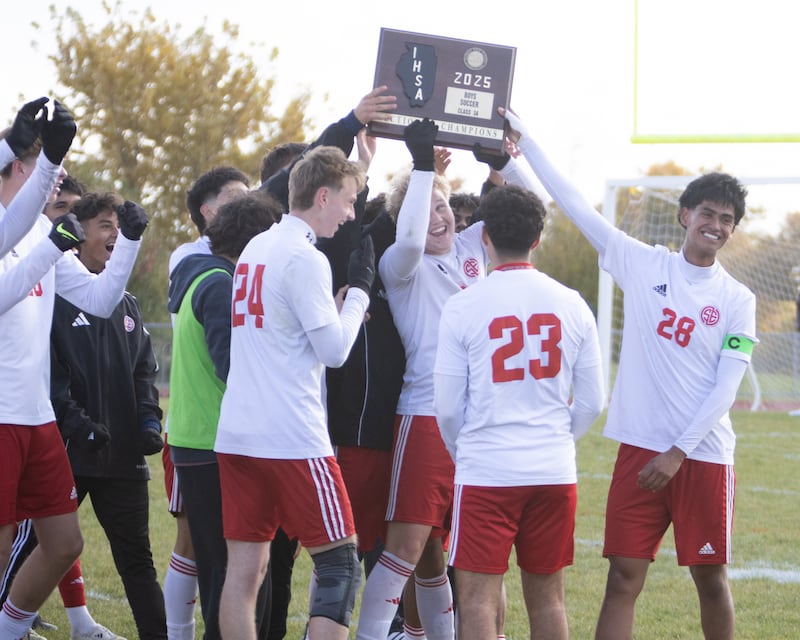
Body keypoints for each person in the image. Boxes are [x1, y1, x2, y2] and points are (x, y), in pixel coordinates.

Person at [502, 107, 756, 640]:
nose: (716, 226)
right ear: (685, 214)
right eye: (708, 213)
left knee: (710, 579)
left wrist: (679, 451)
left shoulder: (737, 299)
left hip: (701, 454)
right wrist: (524, 143)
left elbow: (726, 389)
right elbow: (572, 203)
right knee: (623, 577)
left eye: (727, 219)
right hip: (640, 448)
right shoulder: (643, 263)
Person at [0, 100, 148, 639]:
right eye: (46, 167)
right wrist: (55, 238)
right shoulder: (23, 232)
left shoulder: (41, 233)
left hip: (36, 417)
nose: (57, 178)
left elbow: (102, 299)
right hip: (0, 414)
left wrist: (128, 241)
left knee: (64, 543)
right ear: (19, 167)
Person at [214, 145, 374, 640]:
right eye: (348, 201)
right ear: (322, 196)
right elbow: (334, 351)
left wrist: (331, 305)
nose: (350, 214)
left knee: (245, 574)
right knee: (339, 565)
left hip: (239, 432)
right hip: (291, 436)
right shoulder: (305, 256)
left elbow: (284, 328)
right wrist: (359, 294)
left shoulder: (256, 247)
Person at [433, 184, 605, 640]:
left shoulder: (463, 304)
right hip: (551, 469)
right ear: (537, 238)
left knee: (476, 602)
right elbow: (593, 401)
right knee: (549, 600)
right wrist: (556, 439)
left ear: (483, 235)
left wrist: (466, 448)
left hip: (487, 468)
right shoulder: (572, 303)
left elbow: (447, 407)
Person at [48, 192, 166, 639]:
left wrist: (148, 422)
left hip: (122, 456)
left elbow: (143, 373)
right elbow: (51, 375)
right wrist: (77, 425)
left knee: (137, 559)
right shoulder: (56, 298)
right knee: (36, 546)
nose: (114, 234)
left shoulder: (129, 305)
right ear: (78, 238)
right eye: (104, 225)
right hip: (70, 452)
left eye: (119, 226)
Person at [167, 192, 280, 639]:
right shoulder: (220, 284)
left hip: (200, 439)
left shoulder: (203, 275)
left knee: (226, 567)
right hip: (215, 442)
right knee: (233, 572)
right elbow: (231, 366)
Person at [162, 165, 250, 640]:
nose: (247, 204)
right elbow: (229, 363)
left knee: (214, 551)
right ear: (208, 211)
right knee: (199, 544)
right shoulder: (193, 259)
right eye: (237, 198)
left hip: (204, 432)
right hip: (201, 432)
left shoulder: (218, 269)